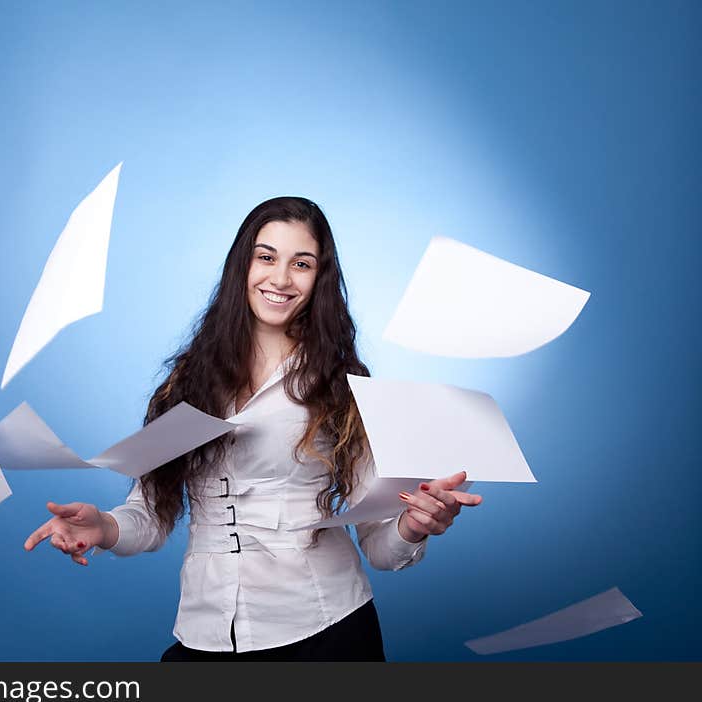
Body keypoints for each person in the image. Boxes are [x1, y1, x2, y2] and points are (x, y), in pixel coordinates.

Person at [24, 196, 482, 661]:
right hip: (205, 632)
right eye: (266, 257)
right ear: (241, 264)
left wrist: (413, 525)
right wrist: (101, 526)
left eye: (301, 264)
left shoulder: (343, 386)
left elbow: (382, 548)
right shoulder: (185, 382)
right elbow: (151, 518)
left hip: (325, 631)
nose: (280, 279)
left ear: (319, 278)